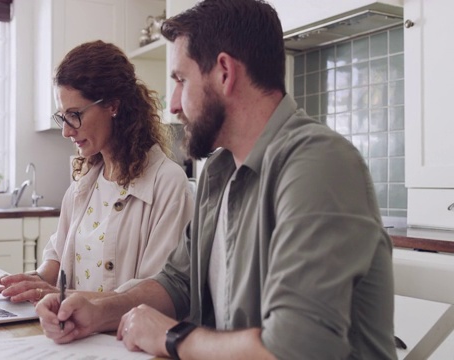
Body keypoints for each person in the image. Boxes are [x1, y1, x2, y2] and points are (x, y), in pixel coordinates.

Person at [35, 1, 397, 359]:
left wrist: (173, 338)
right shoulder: (219, 173)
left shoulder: (318, 164)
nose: (173, 104)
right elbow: (177, 283)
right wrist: (100, 312)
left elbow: (298, 348)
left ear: (224, 72)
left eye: (180, 80)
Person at [0, 40, 194, 303]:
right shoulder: (84, 184)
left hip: (122, 341)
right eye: (62, 116)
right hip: (77, 337)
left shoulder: (167, 184)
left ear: (113, 106)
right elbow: (57, 256)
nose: (66, 130)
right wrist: (31, 282)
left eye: (74, 114)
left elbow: (158, 295)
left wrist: (59, 296)